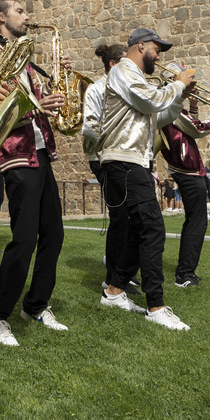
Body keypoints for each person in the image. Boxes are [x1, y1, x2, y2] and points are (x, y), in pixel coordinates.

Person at [0, 0, 69, 347]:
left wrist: (55, 91)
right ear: (0, 18)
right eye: (20, 11)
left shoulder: (25, 63)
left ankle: (36, 305)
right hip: (15, 156)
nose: (27, 17)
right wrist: (39, 104)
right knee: (24, 238)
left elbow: (38, 105)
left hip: (41, 153)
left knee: (54, 235)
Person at [98, 28, 195, 330]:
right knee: (153, 229)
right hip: (124, 160)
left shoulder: (135, 77)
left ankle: (114, 292)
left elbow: (156, 117)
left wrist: (179, 98)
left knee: (139, 230)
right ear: (141, 47)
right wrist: (177, 85)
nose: (159, 56)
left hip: (132, 160)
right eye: (157, 49)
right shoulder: (124, 70)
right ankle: (156, 305)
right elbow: (152, 101)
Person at [159, 93, 210, 287]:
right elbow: (197, 129)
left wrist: (194, 107)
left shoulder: (173, 105)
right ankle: (184, 274)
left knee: (196, 222)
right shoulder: (170, 103)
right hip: (187, 170)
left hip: (188, 169)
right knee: (196, 223)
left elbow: (187, 129)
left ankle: (186, 271)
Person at [82, 42, 132, 289]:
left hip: (125, 157)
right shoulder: (96, 89)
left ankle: (124, 271)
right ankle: (113, 278)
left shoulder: (128, 86)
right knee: (120, 217)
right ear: (113, 64)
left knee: (132, 217)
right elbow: (89, 128)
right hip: (103, 158)